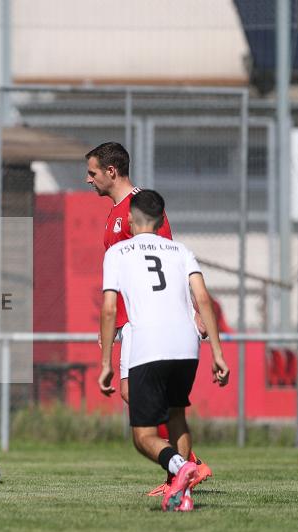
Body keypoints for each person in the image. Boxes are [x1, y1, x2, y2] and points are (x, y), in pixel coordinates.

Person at [85, 142, 212, 496]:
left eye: (92, 172)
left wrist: (194, 311)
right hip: (129, 322)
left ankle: (184, 471)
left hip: (149, 326)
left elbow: (171, 264)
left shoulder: (141, 208)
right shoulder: (115, 212)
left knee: (159, 404)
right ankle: (185, 465)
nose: (88, 179)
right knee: (132, 393)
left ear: (111, 172)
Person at [97, 189, 229, 511]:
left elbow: (110, 310)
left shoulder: (118, 252)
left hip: (149, 345)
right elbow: (202, 299)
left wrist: (105, 363)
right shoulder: (181, 251)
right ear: (160, 219)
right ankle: (181, 493)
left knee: (143, 438)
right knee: (176, 416)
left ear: (129, 218)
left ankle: (181, 468)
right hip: (187, 346)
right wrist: (218, 352)